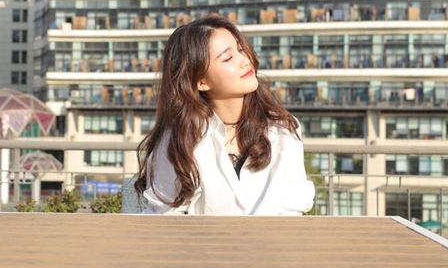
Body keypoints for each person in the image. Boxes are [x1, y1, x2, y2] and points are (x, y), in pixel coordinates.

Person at [134, 15, 315, 215]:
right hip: (200, 237)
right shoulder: (179, 141)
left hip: (273, 236)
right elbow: (165, 218)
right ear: (201, 82)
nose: (245, 60)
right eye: (228, 58)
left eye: (241, 50)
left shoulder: (282, 129)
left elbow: (293, 207)